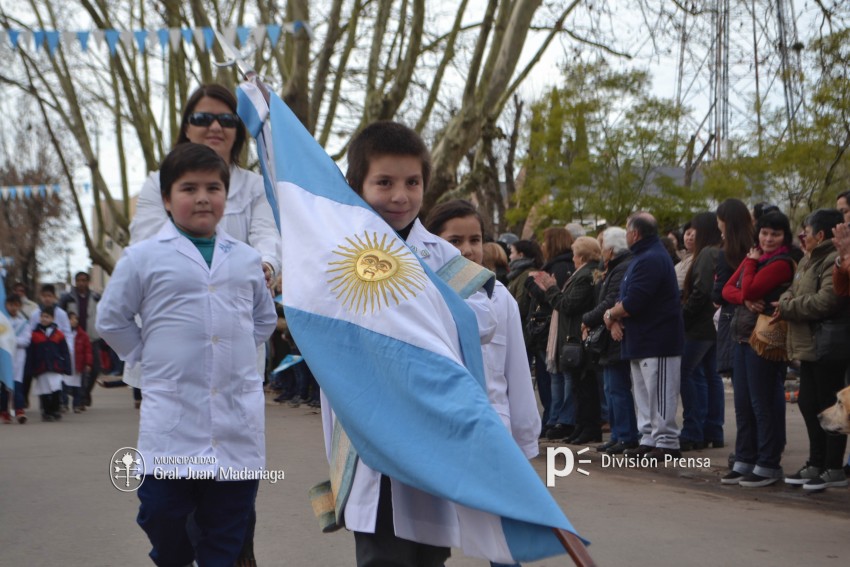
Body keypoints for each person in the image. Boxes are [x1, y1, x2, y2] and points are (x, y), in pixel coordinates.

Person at [322, 121, 497, 567]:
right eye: (384, 182)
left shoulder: (441, 257)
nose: (400, 196)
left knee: (430, 555)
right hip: (373, 440)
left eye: (412, 182)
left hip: (433, 437)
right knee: (384, 553)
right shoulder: (338, 255)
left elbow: (487, 320)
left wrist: (421, 305)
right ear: (355, 184)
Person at [96, 143, 277, 566]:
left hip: (235, 425)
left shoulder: (247, 260)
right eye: (188, 188)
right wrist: (146, 353)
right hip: (172, 425)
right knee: (163, 513)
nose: (201, 197)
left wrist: (229, 357)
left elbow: (263, 321)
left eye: (213, 188)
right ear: (165, 198)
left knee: (228, 526)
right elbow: (111, 319)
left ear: (225, 198)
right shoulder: (142, 258)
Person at [424, 199, 540, 463]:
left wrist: (525, 440)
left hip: (493, 433)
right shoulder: (420, 294)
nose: (467, 250)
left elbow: (517, 372)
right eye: (454, 241)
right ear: (433, 243)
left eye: (474, 240)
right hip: (438, 433)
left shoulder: (500, 298)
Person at [776, 209, 848, 491]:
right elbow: (791, 291)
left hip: (828, 344)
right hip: (808, 344)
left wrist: (786, 308)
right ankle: (815, 463)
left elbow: (827, 301)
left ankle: (833, 467)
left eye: (805, 231)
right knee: (808, 404)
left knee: (831, 407)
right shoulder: (808, 259)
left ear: (820, 234)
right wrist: (786, 302)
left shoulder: (832, 258)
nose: (802, 237)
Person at [721, 210, 795, 487]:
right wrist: (745, 298)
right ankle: (745, 457)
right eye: (764, 233)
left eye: (775, 234)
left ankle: (767, 462)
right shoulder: (755, 257)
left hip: (764, 341)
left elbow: (750, 290)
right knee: (743, 404)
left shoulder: (781, 263)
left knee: (762, 404)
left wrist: (747, 283)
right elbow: (727, 290)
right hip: (742, 337)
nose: (768, 238)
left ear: (784, 236)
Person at [604, 212, 684, 459]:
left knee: (659, 394)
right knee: (644, 393)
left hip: (657, 340)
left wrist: (610, 314)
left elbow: (634, 301)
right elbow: (624, 297)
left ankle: (666, 442)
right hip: (640, 339)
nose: (626, 236)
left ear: (635, 233)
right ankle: (649, 438)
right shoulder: (642, 257)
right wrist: (614, 317)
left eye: (627, 231)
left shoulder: (651, 258)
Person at [532, 236, 602, 444]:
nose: (572, 258)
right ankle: (581, 426)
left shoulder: (586, 275)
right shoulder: (583, 274)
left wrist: (552, 288)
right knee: (580, 387)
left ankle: (587, 427)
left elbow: (568, 305)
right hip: (572, 336)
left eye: (574, 254)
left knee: (583, 386)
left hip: (577, 337)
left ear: (581, 256)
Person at [582, 227, 638, 454]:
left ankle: (625, 435)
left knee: (617, 388)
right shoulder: (614, 268)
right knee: (610, 387)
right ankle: (617, 434)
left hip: (616, 337)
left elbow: (610, 302)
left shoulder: (621, 267)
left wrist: (588, 318)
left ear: (612, 248)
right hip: (609, 336)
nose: (601, 249)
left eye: (603, 244)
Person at [679, 212, 724, 451]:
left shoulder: (707, 253)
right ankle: (712, 430)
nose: (691, 233)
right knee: (708, 376)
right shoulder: (715, 251)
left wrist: (682, 316)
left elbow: (701, 291)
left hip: (699, 326)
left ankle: (693, 430)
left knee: (687, 374)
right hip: (710, 325)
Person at [525, 228, 574, 437]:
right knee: (553, 377)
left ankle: (559, 419)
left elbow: (551, 297)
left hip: (551, 328)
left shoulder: (560, 267)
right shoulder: (558, 265)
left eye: (545, 241)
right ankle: (553, 418)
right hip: (548, 328)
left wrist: (532, 286)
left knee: (558, 377)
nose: (543, 246)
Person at [714, 199, 754, 375]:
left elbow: (719, 293)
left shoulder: (726, 253)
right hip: (755, 321)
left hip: (733, 319)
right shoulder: (754, 247)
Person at [59, 271, 101, 407]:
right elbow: (60, 315)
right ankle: (80, 397)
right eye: (79, 280)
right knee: (75, 369)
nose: (81, 283)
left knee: (95, 368)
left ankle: (85, 393)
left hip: (91, 337)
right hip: (73, 337)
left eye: (84, 280)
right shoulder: (67, 298)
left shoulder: (96, 297)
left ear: (88, 282)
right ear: (75, 282)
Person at [24, 306, 72, 422]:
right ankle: (46, 412)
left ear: (53, 318)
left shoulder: (59, 334)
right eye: (42, 316)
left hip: (56, 367)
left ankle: (55, 410)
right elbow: (30, 354)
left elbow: (65, 352)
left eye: (47, 317)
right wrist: (29, 369)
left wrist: (67, 367)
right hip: (41, 367)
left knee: (56, 389)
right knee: (44, 391)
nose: (44, 319)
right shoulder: (34, 335)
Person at [0, 293, 31, 424]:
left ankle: (19, 411)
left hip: (18, 357)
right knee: (4, 385)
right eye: (10, 305)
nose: (13, 308)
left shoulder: (23, 323)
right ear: (6, 305)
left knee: (18, 385)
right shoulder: (3, 321)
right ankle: (4, 412)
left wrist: (12, 340)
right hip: (5, 357)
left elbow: (26, 340)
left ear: (19, 306)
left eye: (16, 305)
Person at [63, 312, 92, 413]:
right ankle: (64, 404)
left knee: (77, 387)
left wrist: (88, 363)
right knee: (64, 386)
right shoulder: (62, 333)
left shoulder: (82, 335)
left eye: (75, 319)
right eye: (71, 319)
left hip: (78, 365)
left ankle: (76, 405)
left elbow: (88, 350)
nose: (74, 321)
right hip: (66, 364)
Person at [673, 222, 695, 289]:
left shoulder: (699, 258)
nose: (690, 238)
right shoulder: (686, 256)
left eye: (694, 235)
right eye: (688, 234)